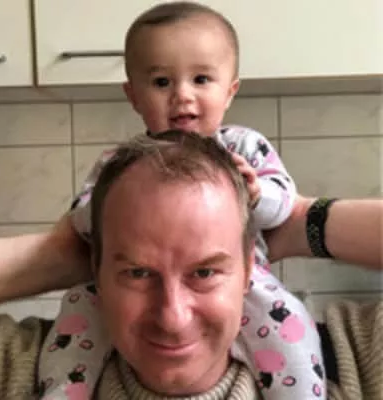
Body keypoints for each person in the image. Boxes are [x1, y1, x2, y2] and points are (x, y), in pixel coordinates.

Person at [37, 3, 326, 399]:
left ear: (230, 91)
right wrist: (113, 205)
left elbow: (284, 204)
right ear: (133, 95)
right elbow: (82, 219)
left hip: (248, 286)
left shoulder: (243, 146)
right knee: (76, 308)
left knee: (289, 324)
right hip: (123, 289)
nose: (182, 96)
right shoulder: (119, 162)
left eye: (201, 79)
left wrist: (258, 193)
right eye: (161, 82)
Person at [0, 132, 381, 400]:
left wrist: (299, 222)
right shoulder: (18, 371)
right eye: (138, 272)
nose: (172, 318)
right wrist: (58, 254)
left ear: (248, 270)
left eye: (204, 272)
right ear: (96, 270)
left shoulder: (352, 364)